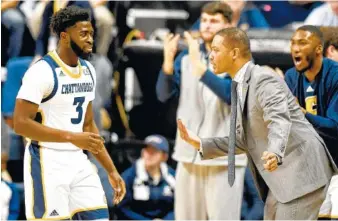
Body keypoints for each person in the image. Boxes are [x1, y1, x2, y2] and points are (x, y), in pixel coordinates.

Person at [177, 27, 337, 220]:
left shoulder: (263, 79)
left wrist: (275, 151)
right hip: (283, 179)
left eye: (216, 50)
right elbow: (241, 140)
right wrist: (202, 143)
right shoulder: (239, 86)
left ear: (234, 53)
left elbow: (280, 119)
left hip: (302, 174)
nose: (210, 56)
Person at [13, 6, 126, 220]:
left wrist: (111, 169)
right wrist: (71, 137)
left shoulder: (88, 70)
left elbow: (89, 126)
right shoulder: (41, 72)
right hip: (47, 161)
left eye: (92, 33)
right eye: (83, 34)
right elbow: (20, 123)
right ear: (64, 36)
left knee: (101, 216)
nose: (90, 39)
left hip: (78, 160)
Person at [156, 2, 248, 219]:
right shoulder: (187, 58)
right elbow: (163, 95)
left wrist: (202, 70)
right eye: (205, 20)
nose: (207, 25)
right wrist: (168, 64)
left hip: (224, 158)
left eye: (214, 21)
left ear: (229, 25)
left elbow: (231, 96)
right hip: (188, 155)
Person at [285, 25, 338, 220]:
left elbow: (335, 127)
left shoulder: (335, 75)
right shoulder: (291, 77)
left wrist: (303, 114)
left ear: (318, 49)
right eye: (292, 43)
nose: (295, 48)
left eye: (302, 43)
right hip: (313, 166)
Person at [116, 135, 175, 220]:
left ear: (164, 157)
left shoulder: (172, 176)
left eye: (154, 151)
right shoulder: (129, 176)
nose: (148, 154)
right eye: (146, 150)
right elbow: (122, 208)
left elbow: (178, 205)